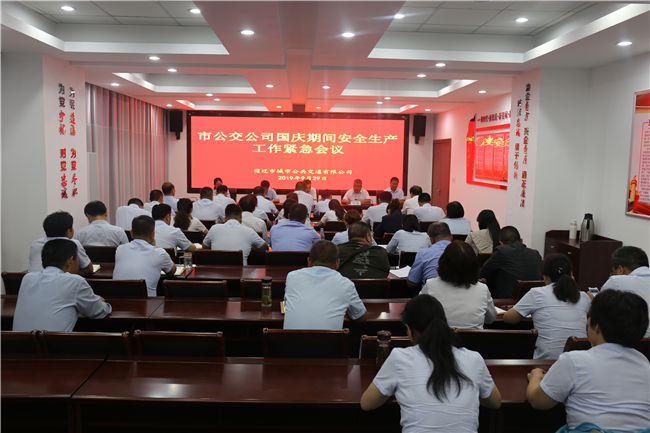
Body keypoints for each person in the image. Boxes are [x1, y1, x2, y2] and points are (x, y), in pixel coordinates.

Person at [360, 295, 501, 431]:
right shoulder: (473, 358)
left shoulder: (400, 357)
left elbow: (367, 404)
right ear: (446, 322)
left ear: (409, 330)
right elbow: (495, 402)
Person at [526, 290, 650, 433]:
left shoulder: (574, 361)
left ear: (595, 326)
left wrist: (535, 377)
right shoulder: (645, 365)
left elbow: (538, 402)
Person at [13, 239, 112, 331]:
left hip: (17, 342)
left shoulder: (27, 278)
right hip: (52, 343)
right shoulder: (75, 281)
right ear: (70, 260)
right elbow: (99, 312)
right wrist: (100, 301)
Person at [504, 254, 591, 359]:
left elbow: (508, 318)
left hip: (546, 362)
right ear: (572, 275)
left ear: (545, 277)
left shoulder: (537, 293)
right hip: (579, 360)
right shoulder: (584, 297)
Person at [283, 240, 367, 329]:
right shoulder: (346, 284)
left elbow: (287, 305)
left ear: (309, 261)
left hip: (291, 338)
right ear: (337, 263)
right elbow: (361, 317)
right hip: (329, 338)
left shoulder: (292, 277)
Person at [420, 242, 497, 329]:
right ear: (474, 266)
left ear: (443, 263)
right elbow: (491, 319)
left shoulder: (430, 286)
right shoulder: (482, 289)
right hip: (473, 338)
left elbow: (417, 313)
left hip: (439, 337)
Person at [113, 215, 175, 297]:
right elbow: (172, 271)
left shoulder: (120, 249)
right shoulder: (159, 253)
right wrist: (155, 247)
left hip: (118, 300)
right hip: (146, 303)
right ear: (153, 234)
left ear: (131, 233)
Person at [480, 226, 542, 298]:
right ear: (521, 240)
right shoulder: (535, 254)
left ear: (501, 243)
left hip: (508, 300)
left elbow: (483, 273)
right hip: (533, 299)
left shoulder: (502, 251)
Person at [600, 246, 650, 337]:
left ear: (620, 270)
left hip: (635, 341)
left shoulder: (616, 281)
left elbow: (597, 311)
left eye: (613, 272)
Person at [28, 211, 93, 274]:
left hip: (33, 280)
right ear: (68, 231)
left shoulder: (35, 244)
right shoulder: (73, 244)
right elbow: (89, 269)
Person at [202, 204, 267, 265]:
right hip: (240, 272)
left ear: (225, 219)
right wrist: (251, 248)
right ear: (241, 219)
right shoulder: (249, 231)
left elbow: (204, 247)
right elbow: (264, 247)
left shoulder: (214, 228)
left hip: (216, 271)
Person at [407, 222, 452, 286]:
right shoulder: (462, 251)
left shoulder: (423, 253)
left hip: (432, 291)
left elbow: (412, 282)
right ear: (451, 237)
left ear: (431, 239)